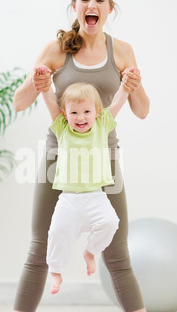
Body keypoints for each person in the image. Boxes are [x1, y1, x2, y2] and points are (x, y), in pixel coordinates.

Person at [0, 0, 177, 312]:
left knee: (118, 254)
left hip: (105, 166)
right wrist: (39, 82)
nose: (91, 5)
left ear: (109, 8)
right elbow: (20, 102)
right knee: (39, 250)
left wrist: (133, 85)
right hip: (56, 165)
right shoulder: (57, 49)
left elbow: (142, 111)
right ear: (75, 6)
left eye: (100, 0)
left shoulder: (122, 50)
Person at [37, 72, 128, 294]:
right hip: (68, 198)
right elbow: (50, 101)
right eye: (74, 112)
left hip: (96, 196)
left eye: (86, 111)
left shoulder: (102, 125)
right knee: (57, 233)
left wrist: (126, 84)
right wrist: (44, 84)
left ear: (97, 112)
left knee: (110, 223)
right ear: (65, 115)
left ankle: (90, 252)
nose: (80, 117)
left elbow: (117, 102)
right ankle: (56, 272)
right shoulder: (62, 129)